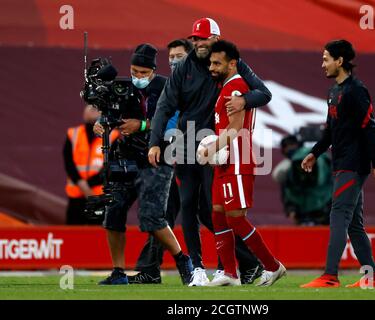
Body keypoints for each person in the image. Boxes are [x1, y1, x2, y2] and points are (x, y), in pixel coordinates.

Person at [148, 17, 269, 286]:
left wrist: (243, 100)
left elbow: (264, 94)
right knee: (189, 204)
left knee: (214, 211)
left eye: (203, 38)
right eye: (195, 39)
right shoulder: (184, 68)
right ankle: (199, 268)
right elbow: (165, 105)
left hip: (217, 147)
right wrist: (155, 142)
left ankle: (234, 267)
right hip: (188, 143)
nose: (198, 43)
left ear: (216, 38)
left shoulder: (228, 63)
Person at [93, 43, 192, 285]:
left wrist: (143, 125)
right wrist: (101, 123)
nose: (137, 77)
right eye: (134, 71)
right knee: (113, 212)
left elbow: (177, 119)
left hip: (158, 156)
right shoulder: (121, 86)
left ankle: (183, 260)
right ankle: (118, 272)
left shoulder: (168, 87)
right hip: (125, 156)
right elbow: (110, 112)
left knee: (152, 217)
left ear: (153, 71)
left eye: (142, 73)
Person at [300, 40, 375, 289]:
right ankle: (372, 277)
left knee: (338, 215)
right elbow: (330, 131)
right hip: (341, 162)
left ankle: (330, 275)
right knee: (353, 223)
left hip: (354, 164)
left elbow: (369, 128)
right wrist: (314, 153)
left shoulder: (356, 91)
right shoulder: (334, 91)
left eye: (326, 58)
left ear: (340, 61)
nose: (323, 63)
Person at [197, 40, 286, 286]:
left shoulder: (235, 88)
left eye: (217, 63)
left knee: (235, 217)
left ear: (232, 63)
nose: (212, 67)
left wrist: (209, 148)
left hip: (237, 159)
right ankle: (229, 273)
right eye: (211, 62)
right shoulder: (226, 86)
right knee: (217, 215)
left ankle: (273, 266)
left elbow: (235, 129)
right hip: (225, 161)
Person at [128, 39, 193, 284]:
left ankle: (242, 264)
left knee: (205, 214)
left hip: (178, 157)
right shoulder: (145, 88)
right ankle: (151, 269)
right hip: (161, 159)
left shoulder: (175, 86)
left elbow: (172, 123)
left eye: (180, 56)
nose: (175, 61)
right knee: (158, 215)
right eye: (172, 57)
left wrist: (145, 127)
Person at [63, 104, 117, 225]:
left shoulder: (112, 136)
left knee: (98, 235)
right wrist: (83, 186)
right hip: (76, 196)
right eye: (90, 107)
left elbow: (111, 166)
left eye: (97, 107)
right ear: (83, 113)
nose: (93, 109)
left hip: (99, 196)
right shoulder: (73, 134)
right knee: (73, 235)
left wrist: (89, 185)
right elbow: (68, 163)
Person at [273, 134, 332, 225]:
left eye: (292, 145)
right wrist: (291, 209)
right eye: (286, 146)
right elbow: (279, 177)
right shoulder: (287, 168)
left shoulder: (320, 160)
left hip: (324, 209)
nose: (289, 148)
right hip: (302, 211)